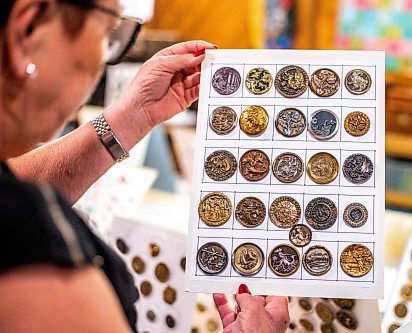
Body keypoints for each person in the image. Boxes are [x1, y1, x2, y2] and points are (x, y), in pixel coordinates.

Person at [0, 0, 290, 332]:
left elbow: (13, 182)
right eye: (109, 32)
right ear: (28, 29)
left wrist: (131, 118)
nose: (106, 55)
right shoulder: (34, 262)